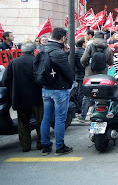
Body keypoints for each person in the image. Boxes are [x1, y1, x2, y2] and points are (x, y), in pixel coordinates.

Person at [1, 41, 43, 152]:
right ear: (34, 51)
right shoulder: (37, 61)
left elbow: (5, 80)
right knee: (40, 121)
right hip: (37, 98)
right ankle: (41, 143)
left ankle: (25, 146)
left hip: (19, 97)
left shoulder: (13, 62)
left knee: (23, 123)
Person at [40, 28, 74, 156]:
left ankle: (45, 145)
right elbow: (68, 72)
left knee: (46, 117)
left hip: (46, 88)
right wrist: (71, 83)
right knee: (60, 118)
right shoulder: (58, 53)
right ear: (63, 38)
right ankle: (59, 147)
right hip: (59, 89)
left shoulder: (42, 49)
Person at [74, 38, 87, 122]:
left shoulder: (75, 52)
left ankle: (78, 109)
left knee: (78, 92)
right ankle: (80, 108)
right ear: (83, 44)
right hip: (82, 74)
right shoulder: (83, 52)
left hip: (76, 74)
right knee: (82, 93)